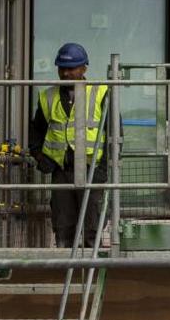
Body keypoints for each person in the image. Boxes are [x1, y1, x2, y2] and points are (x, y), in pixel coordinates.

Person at [28, 42, 109, 249]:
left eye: (71, 68)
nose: (65, 73)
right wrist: (39, 155)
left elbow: (114, 134)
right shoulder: (48, 97)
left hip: (91, 170)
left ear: (84, 69)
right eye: (62, 68)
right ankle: (63, 272)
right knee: (63, 227)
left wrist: (104, 169)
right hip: (62, 171)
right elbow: (36, 129)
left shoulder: (100, 93)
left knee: (93, 226)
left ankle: (94, 272)